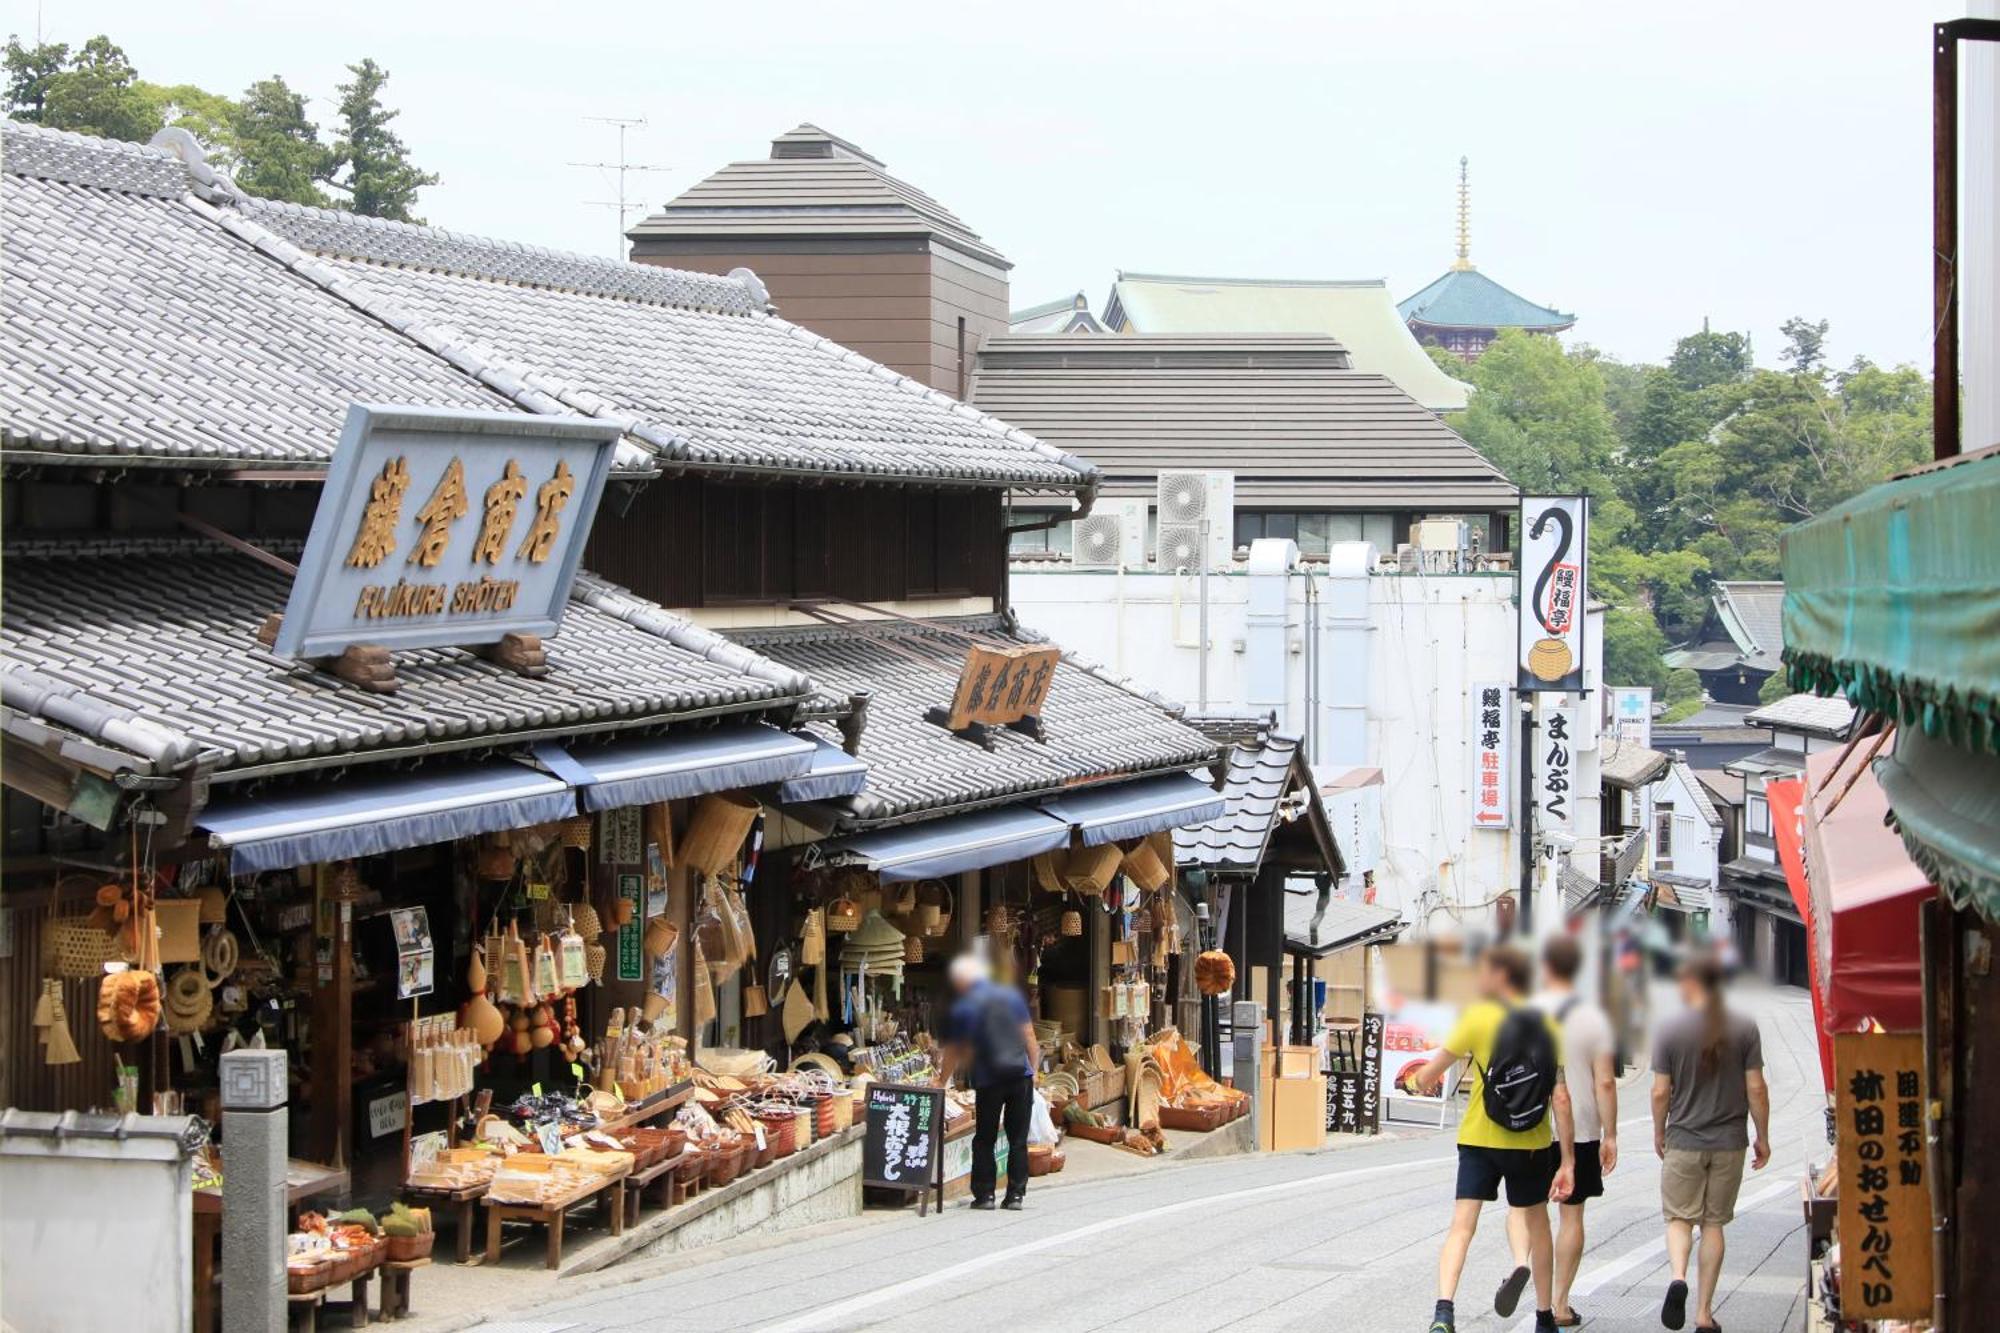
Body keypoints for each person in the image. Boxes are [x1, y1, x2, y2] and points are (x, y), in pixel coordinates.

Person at [1403, 944, 1575, 1333]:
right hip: (1530, 1142)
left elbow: (1431, 1073)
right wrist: (1567, 1161)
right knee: (1538, 1226)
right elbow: (1560, 1097)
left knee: (1462, 1226)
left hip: (1479, 1140)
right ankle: (1545, 1318)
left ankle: (1443, 1313)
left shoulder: (1476, 1018)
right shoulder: (1548, 1024)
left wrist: (1414, 1083)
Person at [1651, 954, 1770, 1332]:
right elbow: (1756, 1088)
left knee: (1680, 1219)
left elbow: (1659, 1092)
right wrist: (1762, 1136)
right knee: (1714, 1224)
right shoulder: (1744, 1026)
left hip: (1684, 1139)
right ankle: (1703, 1314)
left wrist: (1659, 1131)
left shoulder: (1669, 1028)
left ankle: (1678, 1277)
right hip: (1729, 1142)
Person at [1505, 934, 1618, 1328]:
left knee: (1524, 1208)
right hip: (1582, 1129)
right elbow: (1605, 1082)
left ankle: (1521, 1262)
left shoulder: (1524, 1012)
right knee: (1571, 1217)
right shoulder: (1593, 1017)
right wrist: (1611, 1135)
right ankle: (1559, 1304)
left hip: (1528, 1125)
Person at [938, 953, 1040, 1211]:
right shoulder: (1012, 998)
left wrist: (941, 1080)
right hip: (1020, 1076)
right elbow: (1029, 1036)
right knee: (1018, 1139)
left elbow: (953, 1048)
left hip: (989, 1078)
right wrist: (1034, 1071)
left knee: (985, 1137)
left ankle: (985, 1196)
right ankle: (1015, 1195)